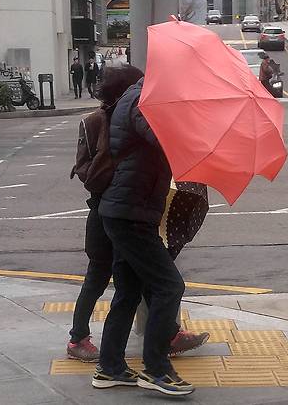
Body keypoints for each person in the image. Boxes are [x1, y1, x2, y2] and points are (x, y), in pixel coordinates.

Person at [67, 66, 209, 365]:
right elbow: (85, 169)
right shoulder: (99, 120)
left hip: (124, 206)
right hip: (110, 209)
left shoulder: (128, 112)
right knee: (100, 276)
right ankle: (79, 337)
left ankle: (140, 351)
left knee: (135, 282)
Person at [92, 76, 195, 396]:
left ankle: (109, 367)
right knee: (169, 285)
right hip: (130, 215)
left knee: (128, 292)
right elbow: (164, 140)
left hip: (128, 211)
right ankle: (156, 369)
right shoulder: (141, 99)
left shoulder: (142, 97)